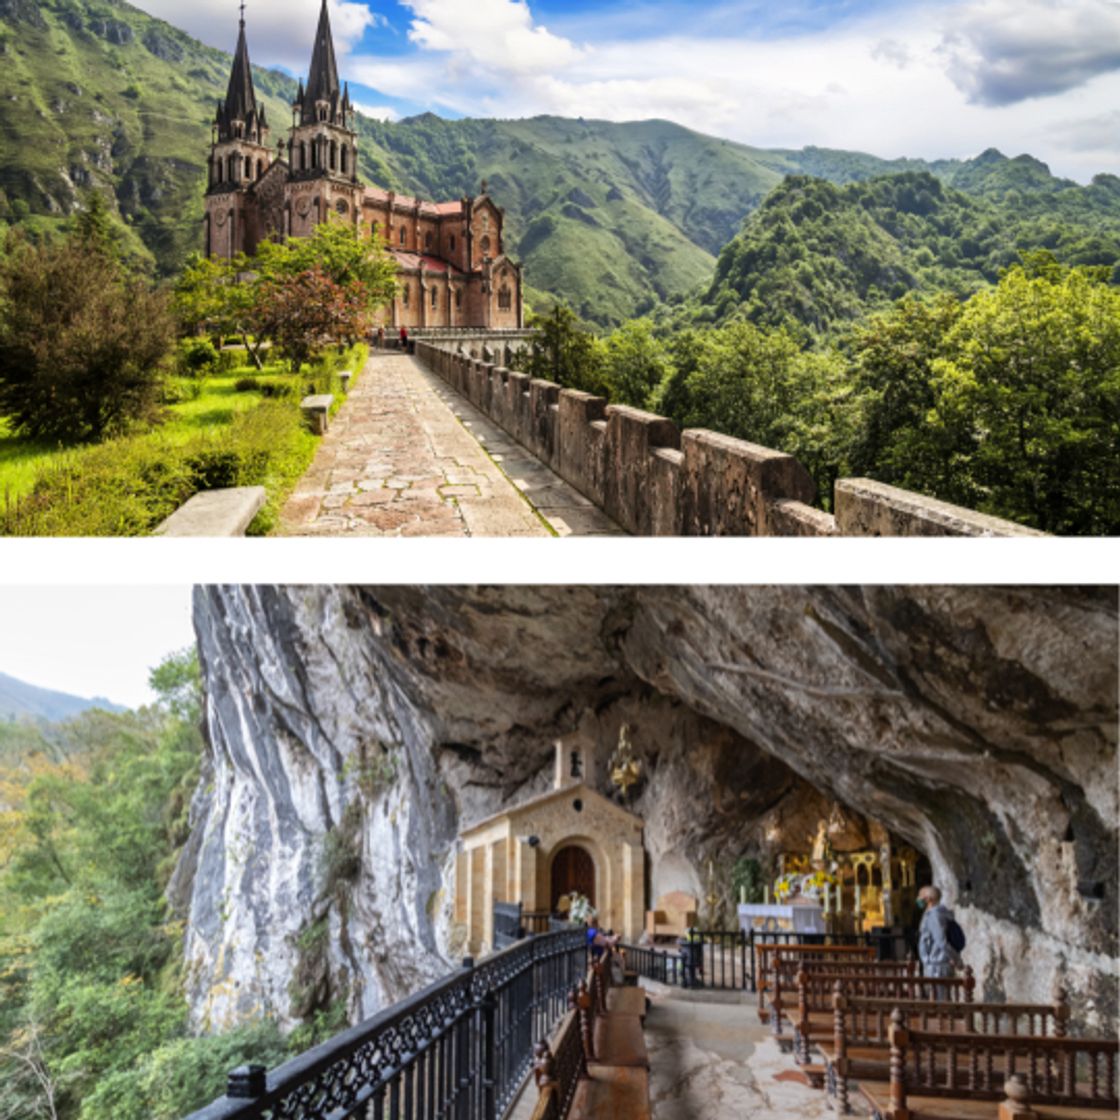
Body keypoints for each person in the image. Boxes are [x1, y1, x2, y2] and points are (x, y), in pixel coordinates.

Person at [918, 885, 963, 978]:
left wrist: (956, 959)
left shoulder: (935, 916)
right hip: (936, 964)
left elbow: (941, 942)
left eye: (921, 896)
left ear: (929, 899)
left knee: (939, 992)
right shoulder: (933, 914)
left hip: (937, 966)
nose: (919, 899)